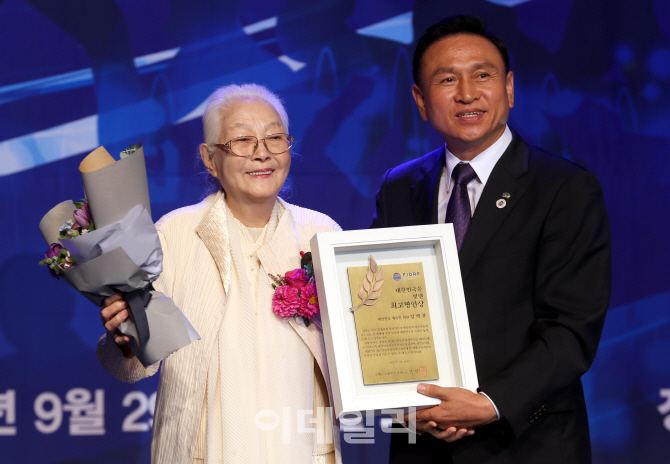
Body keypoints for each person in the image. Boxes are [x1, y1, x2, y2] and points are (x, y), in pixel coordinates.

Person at [371, 15, 611, 464]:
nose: (467, 93)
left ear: (510, 88)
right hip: (423, 443)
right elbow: (378, 312)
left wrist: (489, 402)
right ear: (421, 101)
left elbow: (572, 328)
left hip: (527, 443)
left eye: (483, 75)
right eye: (447, 79)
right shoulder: (399, 187)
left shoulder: (564, 187)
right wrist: (400, 401)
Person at [98, 84, 342, 464]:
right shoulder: (174, 233)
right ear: (210, 158)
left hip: (302, 449)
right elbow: (130, 365)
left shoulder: (321, 234)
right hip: (205, 452)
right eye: (242, 140)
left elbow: (354, 349)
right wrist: (125, 340)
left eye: (275, 137)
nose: (262, 153)